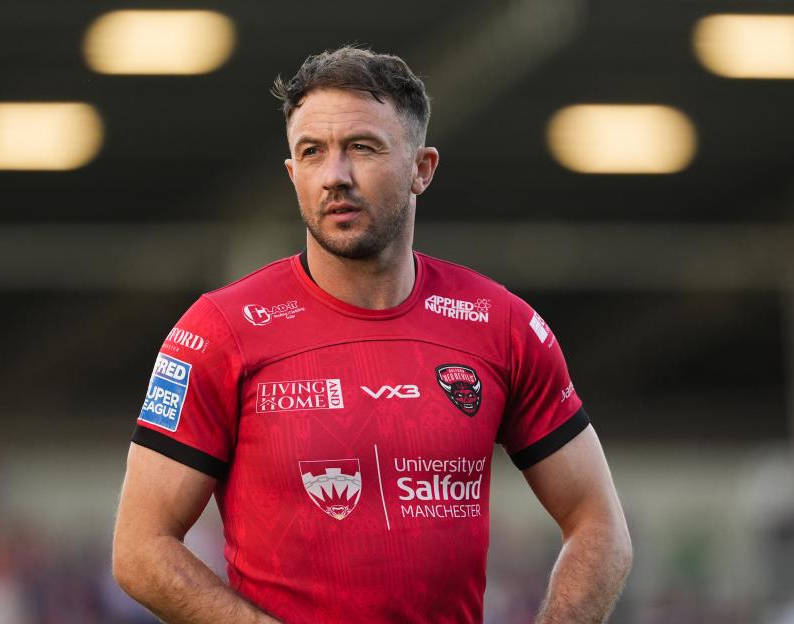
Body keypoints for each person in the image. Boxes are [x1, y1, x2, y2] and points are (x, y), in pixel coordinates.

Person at [112, 46, 632, 624]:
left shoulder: (501, 324)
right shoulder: (220, 330)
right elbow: (140, 548)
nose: (335, 176)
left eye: (362, 147)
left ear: (422, 169)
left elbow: (598, 521)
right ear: (293, 173)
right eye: (312, 152)